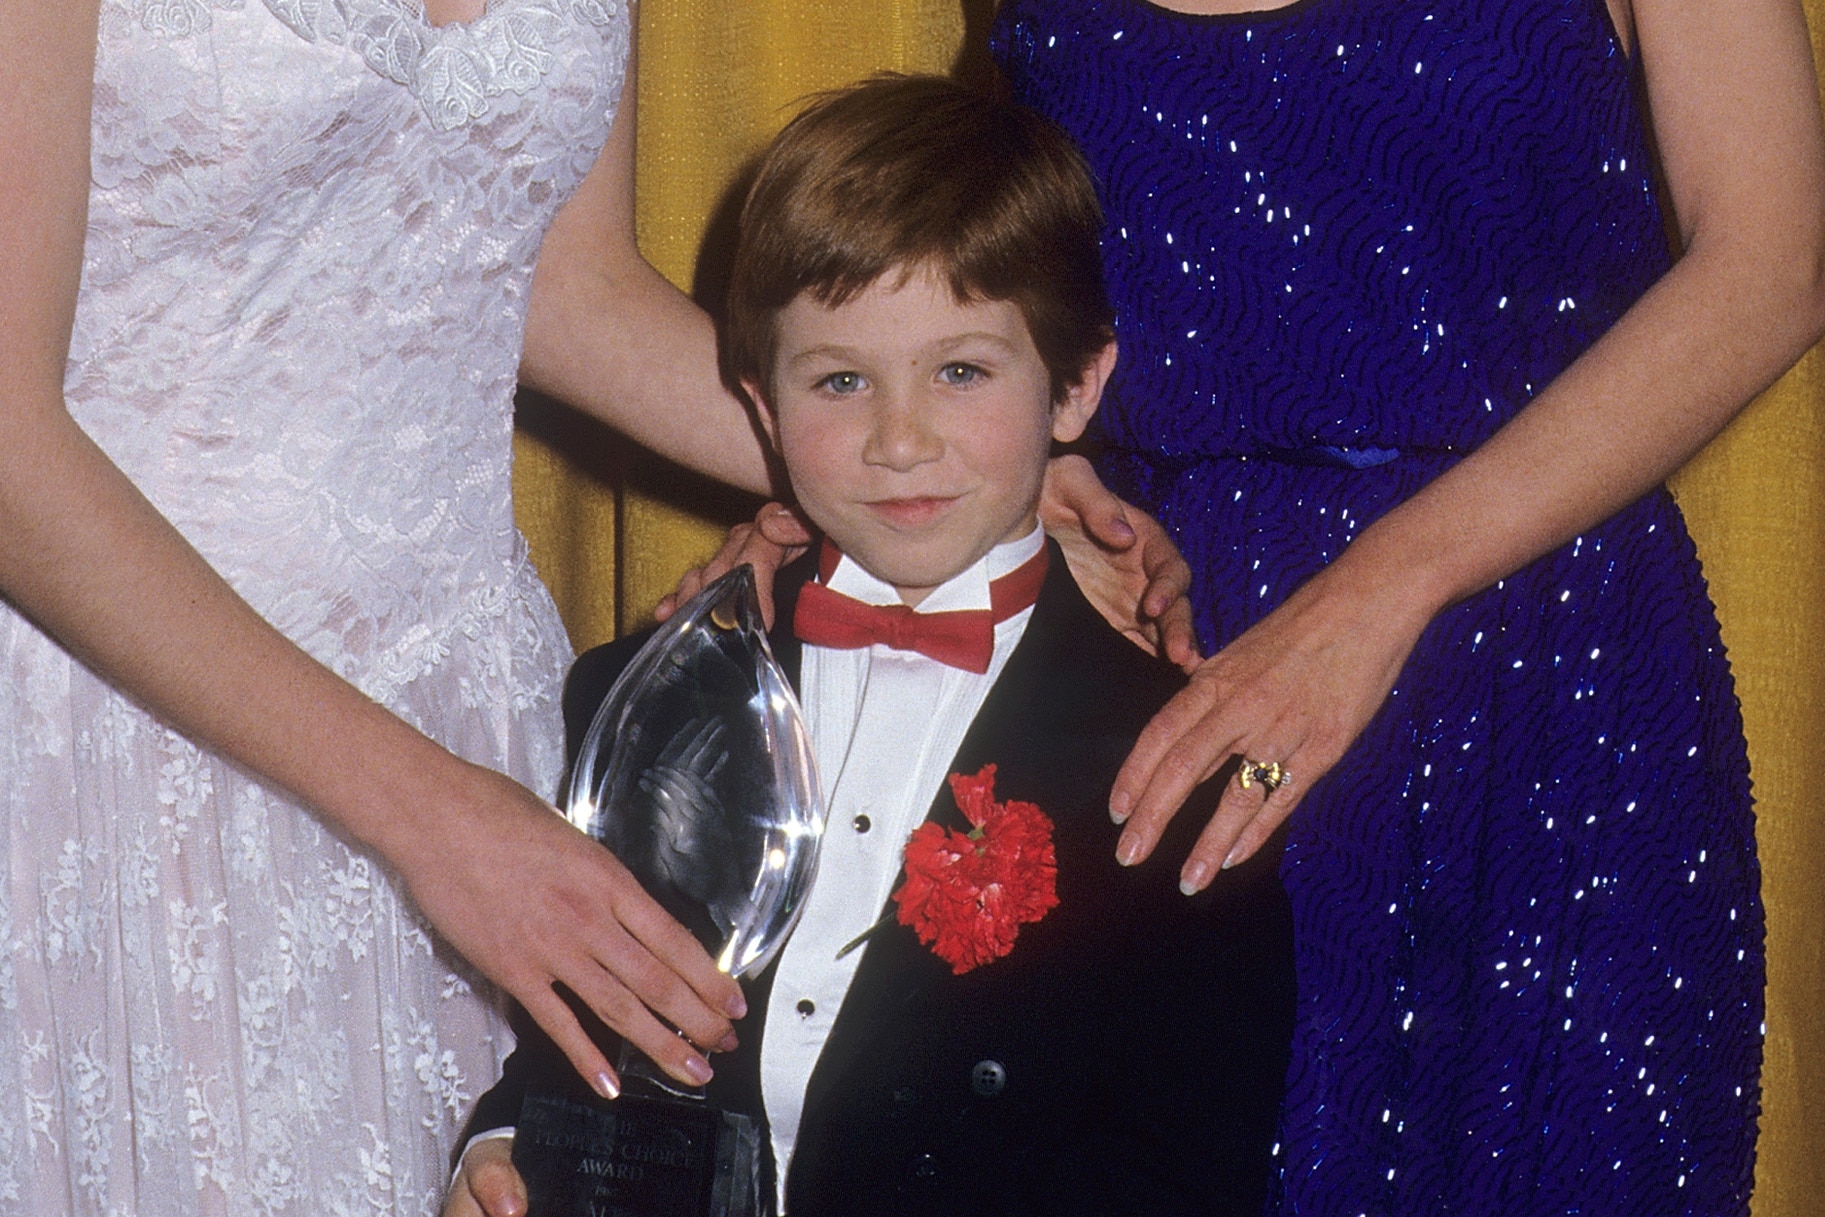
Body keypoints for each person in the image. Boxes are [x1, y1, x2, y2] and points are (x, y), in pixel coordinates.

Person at [0, 2, 1187, 1210]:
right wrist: (438, 822)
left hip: (465, 690)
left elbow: (561, 288)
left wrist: (963, 474)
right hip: (116, 714)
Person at [980, 0, 1825, 1212]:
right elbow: (991, 264)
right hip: (1157, 649)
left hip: (1545, 665)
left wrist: (1378, 587)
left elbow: (1771, 266)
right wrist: (953, 482)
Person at [445, 74, 1295, 1217]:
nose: (899, 440)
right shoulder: (646, 696)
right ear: (762, 405)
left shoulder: (1172, 763)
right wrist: (499, 1148)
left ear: (1076, 383)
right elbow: (579, 1030)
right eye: (840, 380)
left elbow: (1182, 1167)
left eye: (960, 371)